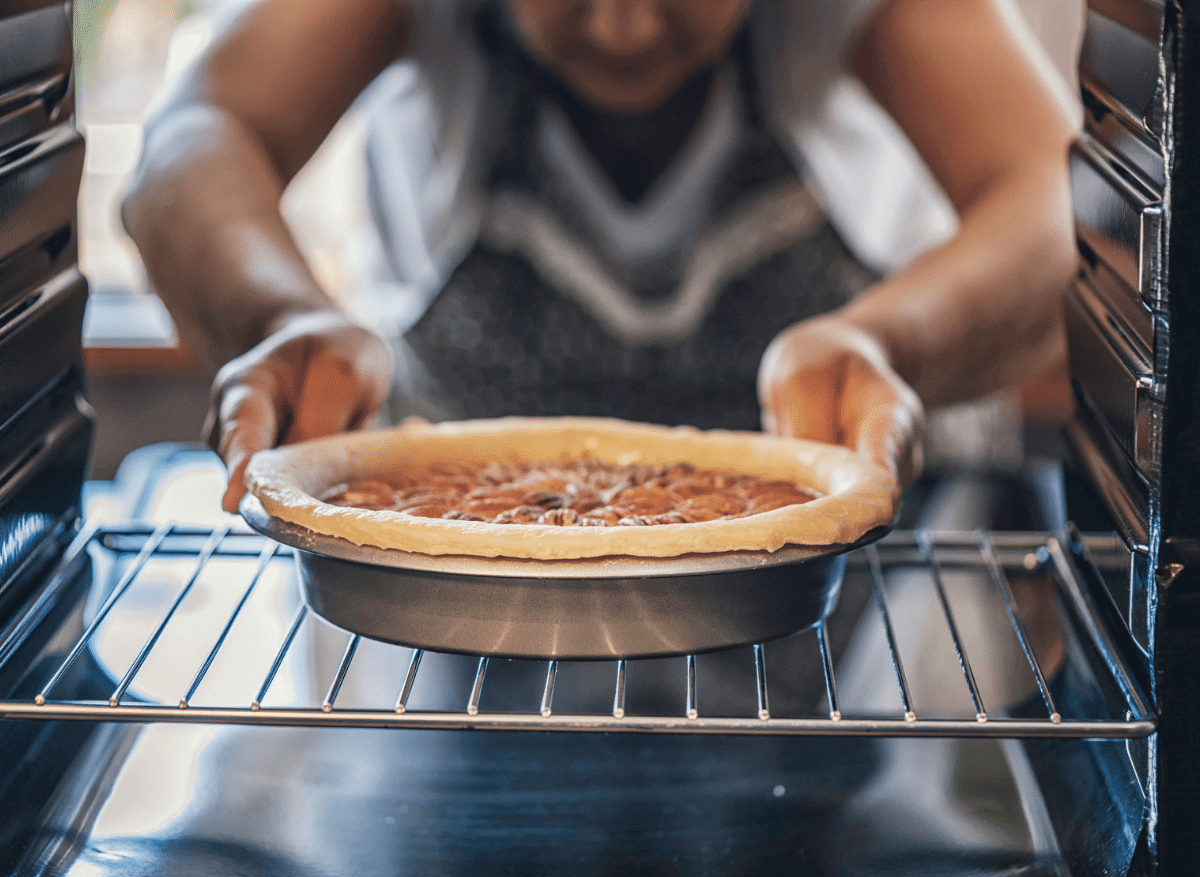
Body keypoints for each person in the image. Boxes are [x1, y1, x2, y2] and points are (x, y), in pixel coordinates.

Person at [121, 0, 1079, 515]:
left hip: (867, 602)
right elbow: (194, 139)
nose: (624, 26)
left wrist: (889, 343)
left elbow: (1056, 201)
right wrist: (280, 316)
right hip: (460, 592)